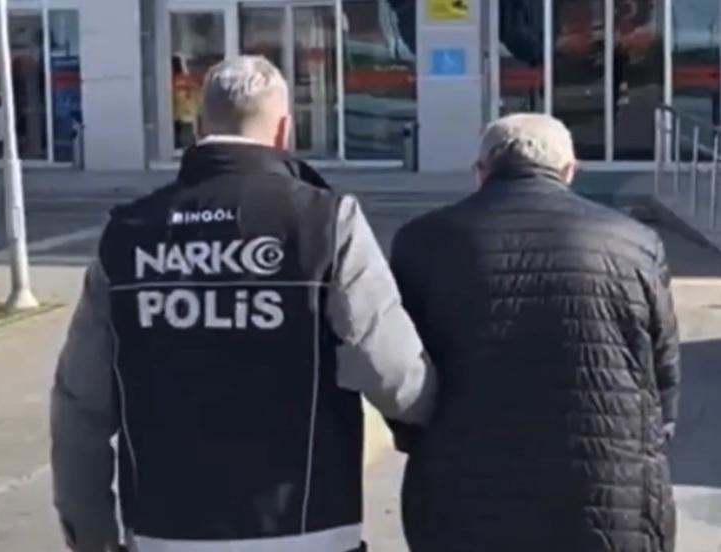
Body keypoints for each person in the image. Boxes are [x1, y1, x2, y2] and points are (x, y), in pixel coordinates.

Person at [50, 55, 436, 552]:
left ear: (197, 128)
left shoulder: (127, 233)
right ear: (284, 131)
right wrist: (441, 415)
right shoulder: (325, 220)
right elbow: (392, 373)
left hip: (165, 529)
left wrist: (89, 531)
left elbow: (79, 404)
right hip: (306, 523)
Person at [390, 113, 680, 552]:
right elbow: (662, 371)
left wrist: (418, 439)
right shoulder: (636, 242)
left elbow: (398, 368)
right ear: (570, 171)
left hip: (461, 492)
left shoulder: (422, 242)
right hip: (608, 494)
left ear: (481, 171)